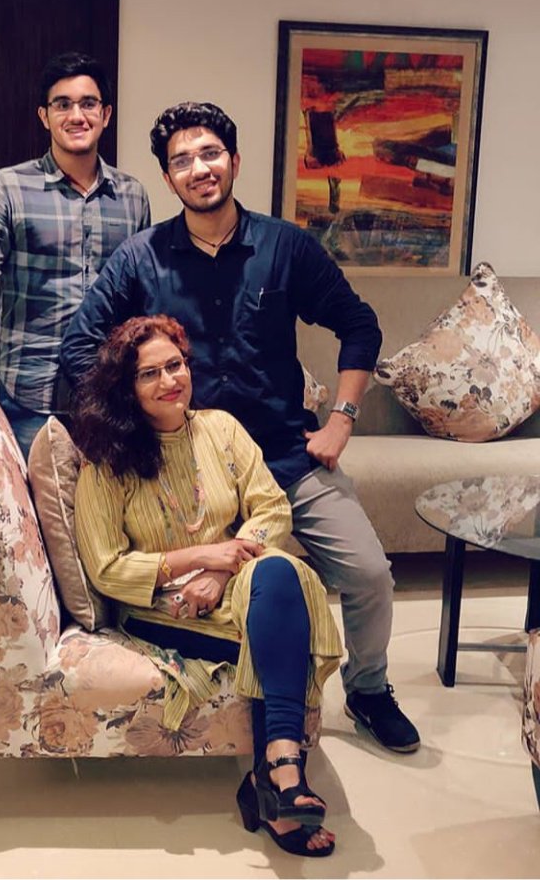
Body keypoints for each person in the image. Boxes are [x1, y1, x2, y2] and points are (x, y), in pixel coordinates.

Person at [60, 101, 420, 754]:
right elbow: (81, 347)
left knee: (369, 573)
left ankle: (369, 689)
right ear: (168, 178)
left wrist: (342, 419)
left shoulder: (285, 247)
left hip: (284, 458)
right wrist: (126, 427)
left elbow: (359, 325)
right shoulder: (140, 259)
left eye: (210, 154)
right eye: (182, 161)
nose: (199, 169)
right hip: (185, 469)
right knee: (218, 589)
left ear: (233, 161)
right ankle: (254, 704)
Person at [72, 314, 343, 856]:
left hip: (231, 585)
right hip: (164, 608)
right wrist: (197, 557)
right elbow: (106, 568)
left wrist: (221, 570)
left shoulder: (221, 428)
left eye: (175, 365)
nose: (169, 381)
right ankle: (275, 784)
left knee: (281, 572)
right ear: (126, 388)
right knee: (280, 637)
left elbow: (272, 509)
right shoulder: (107, 461)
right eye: (149, 374)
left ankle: (278, 771)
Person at [0, 51, 151, 458]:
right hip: (31, 400)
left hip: (110, 397)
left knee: (110, 501)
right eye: (62, 104)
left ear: (106, 114)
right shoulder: (6, 189)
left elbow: (141, 295)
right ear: (45, 116)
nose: (76, 115)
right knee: (33, 502)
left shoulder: (132, 196)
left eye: (88, 103)